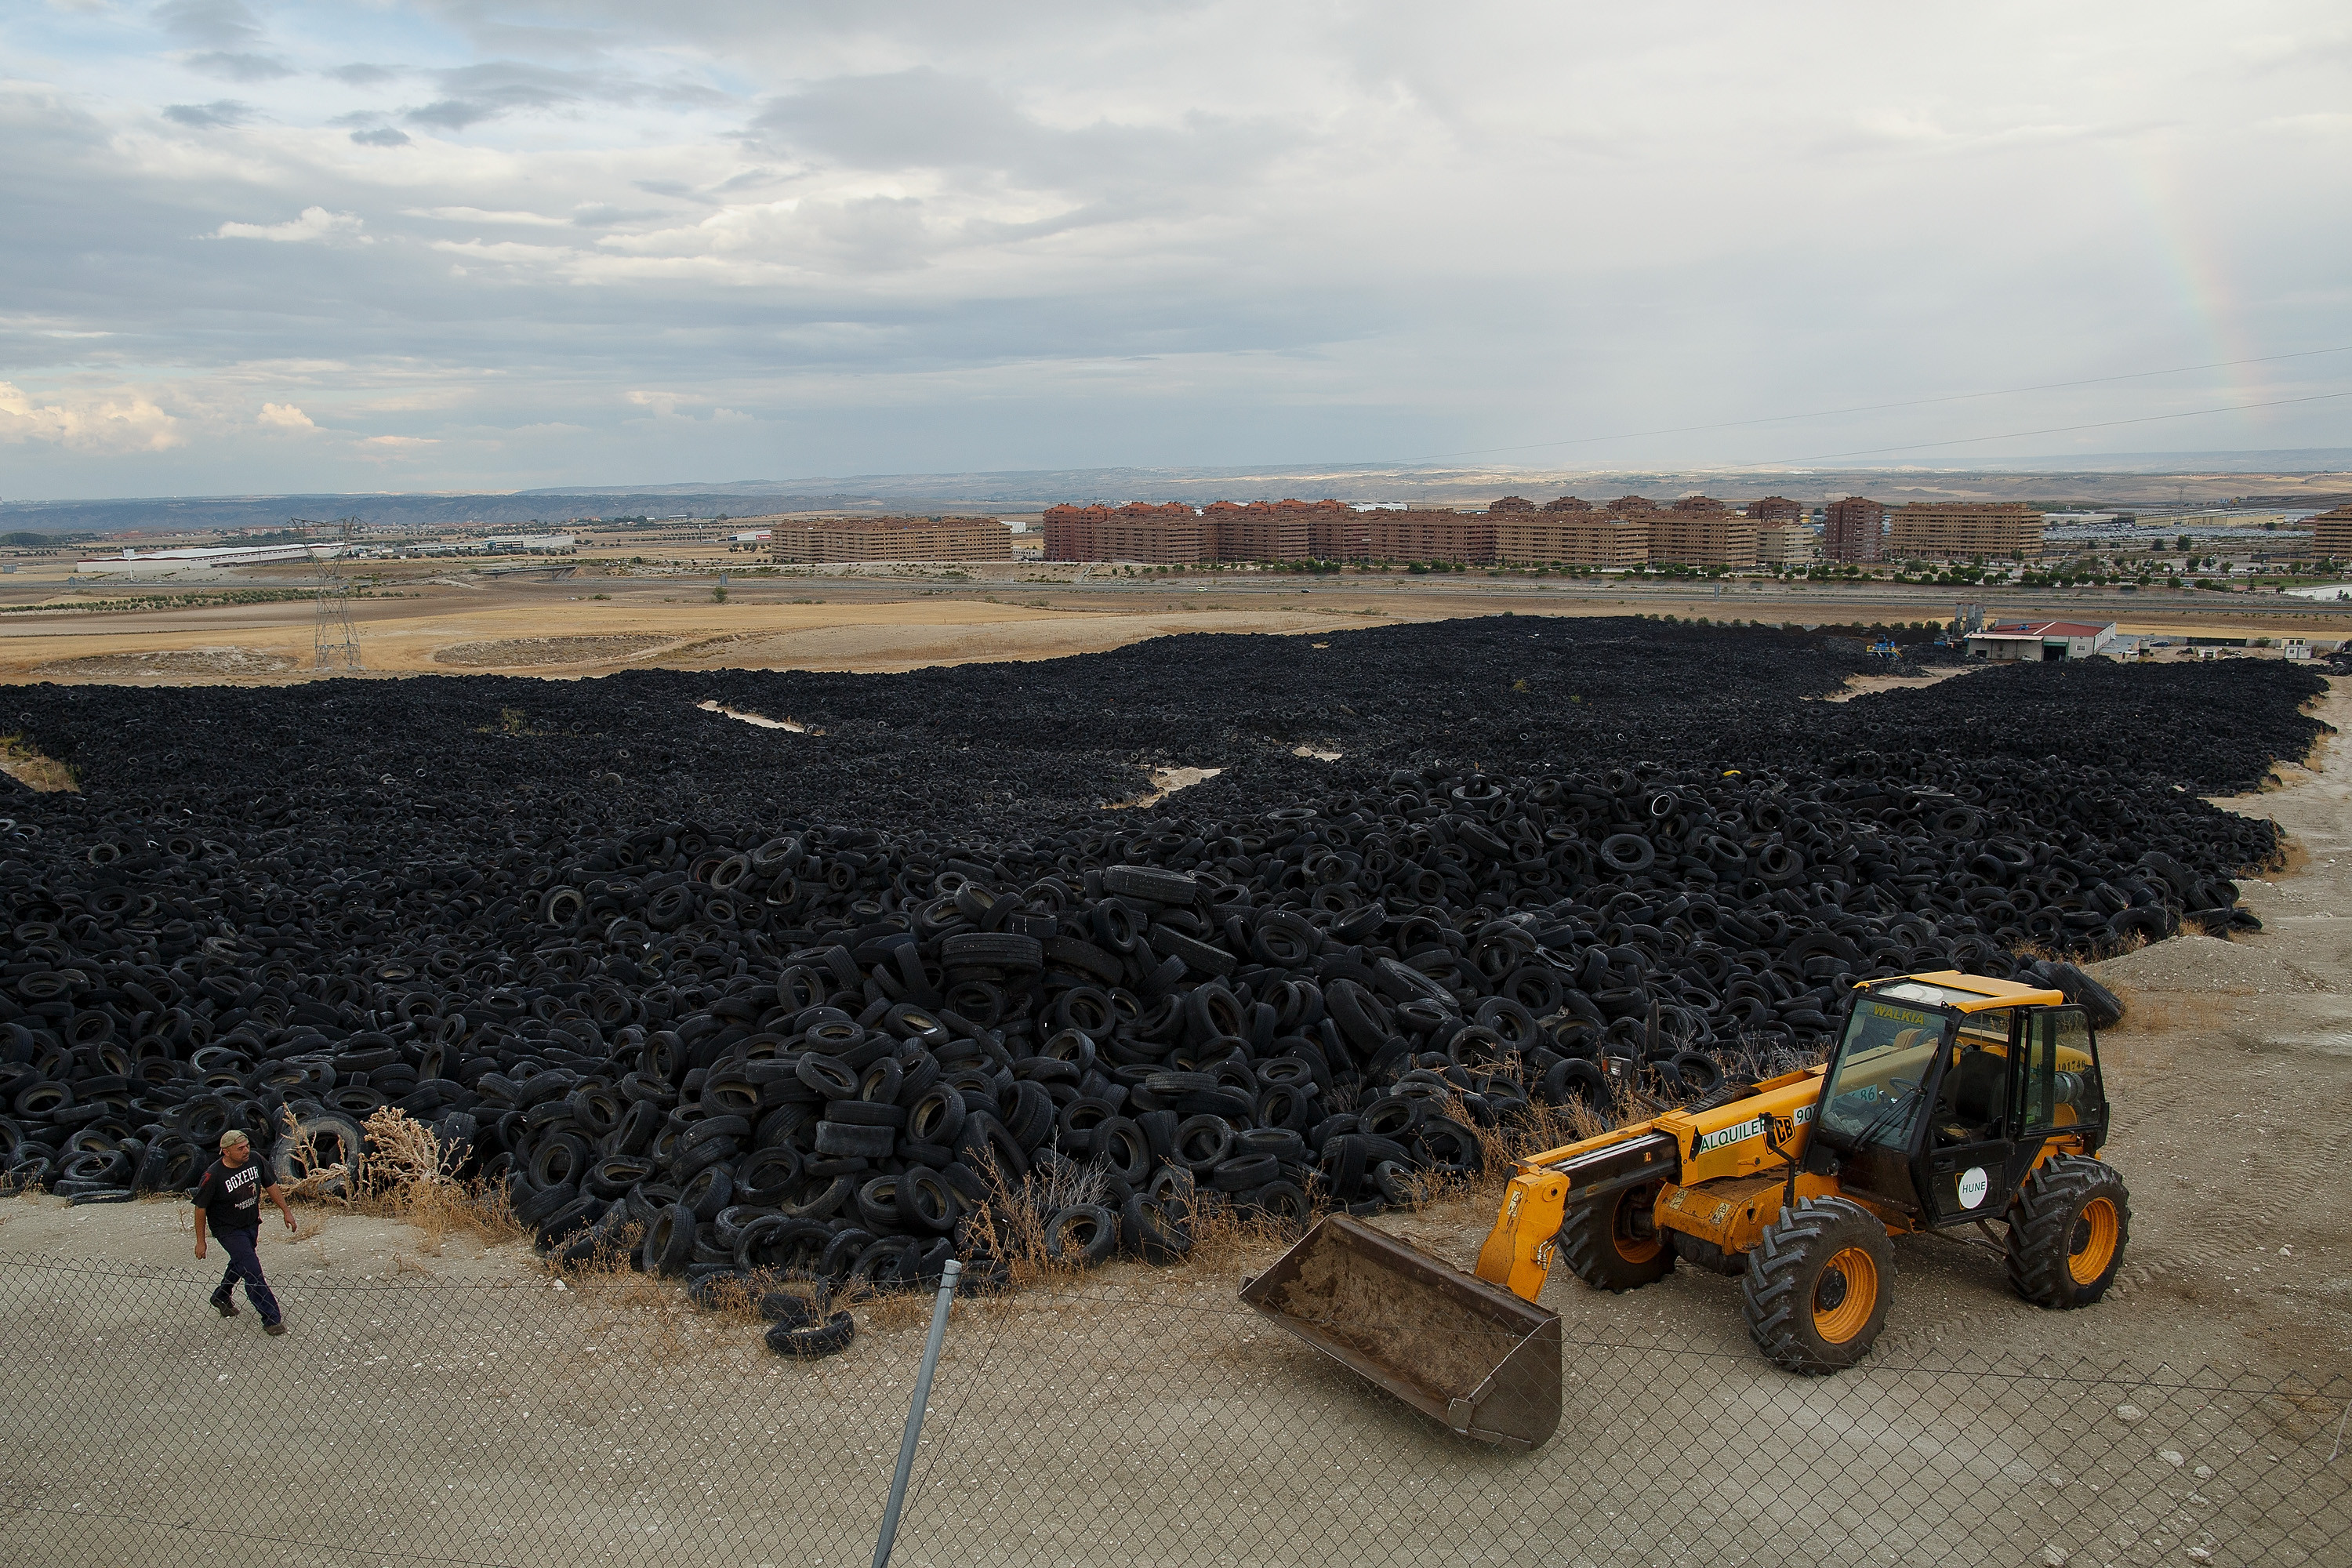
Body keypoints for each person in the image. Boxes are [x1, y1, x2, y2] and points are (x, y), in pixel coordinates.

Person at [192, 1128, 296, 1335]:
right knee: (252, 1270)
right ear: (226, 1152)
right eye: (240, 1148)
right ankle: (271, 1319)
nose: (246, 1151)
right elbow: (200, 1208)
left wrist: (286, 1211)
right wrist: (200, 1241)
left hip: (250, 1223)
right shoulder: (213, 1176)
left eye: (247, 1146)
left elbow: (271, 1184)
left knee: (241, 1262)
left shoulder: (255, 1160)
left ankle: (221, 1296)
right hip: (227, 1230)